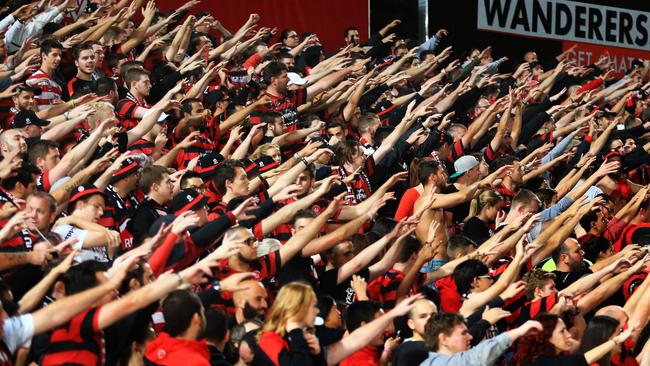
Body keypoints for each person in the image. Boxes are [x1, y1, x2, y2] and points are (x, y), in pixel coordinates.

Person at [513, 313, 634, 366]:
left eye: (566, 329)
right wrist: (616, 340)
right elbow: (584, 359)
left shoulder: (560, 354)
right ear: (547, 337)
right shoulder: (539, 363)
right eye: (562, 332)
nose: (568, 335)